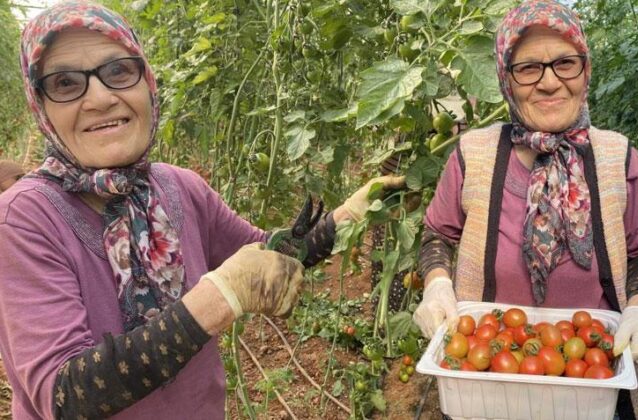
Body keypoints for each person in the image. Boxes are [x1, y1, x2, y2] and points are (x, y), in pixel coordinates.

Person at [0, 2, 403, 419]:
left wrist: (350, 215)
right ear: (40, 105)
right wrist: (221, 297)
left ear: (147, 83)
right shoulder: (23, 219)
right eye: (65, 83)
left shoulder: (179, 187)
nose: (100, 98)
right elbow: (64, 395)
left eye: (119, 71)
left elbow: (268, 257)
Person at [412, 1, 638, 418]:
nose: (549, 83)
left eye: (565, 63)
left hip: (591, 384)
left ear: (585, 71)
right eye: (528, 68)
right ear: (506, 80)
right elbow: (437, 234)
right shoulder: (472, 155)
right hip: (488, 381)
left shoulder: (618, 157)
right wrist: (437, 284)